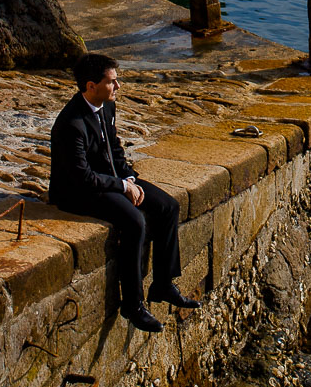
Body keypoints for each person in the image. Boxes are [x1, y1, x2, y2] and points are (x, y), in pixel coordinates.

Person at [49, 53, 199, 333]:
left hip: (111, 179)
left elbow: (114, 151)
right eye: (112, 82)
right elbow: (81, 177)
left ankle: (163, 284)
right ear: (91, 86)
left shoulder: (106, 107)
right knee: (134, 222)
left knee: (168, 206)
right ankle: (133, 305)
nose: (118, 87)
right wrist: (122, 187)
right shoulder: (71, 124)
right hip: (78, 191)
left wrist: (129, 177)